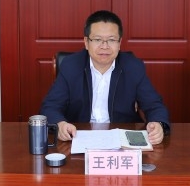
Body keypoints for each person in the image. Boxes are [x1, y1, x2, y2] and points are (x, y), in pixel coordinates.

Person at [40, 10, 170, 145]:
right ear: (86, 42)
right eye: (97, 40)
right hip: (78, 136)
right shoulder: (71, 65)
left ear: (119, 43)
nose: (104, 46)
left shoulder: (133, 67)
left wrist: (158, 124)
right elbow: (50, 106)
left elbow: (154, 105)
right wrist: (60, 124)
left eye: (111, 40)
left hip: (122, 139)